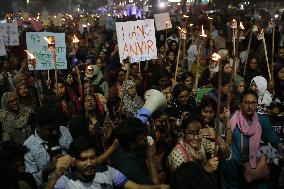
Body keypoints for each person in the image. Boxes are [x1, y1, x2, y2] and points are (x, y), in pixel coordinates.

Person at [45, 135, 169, 189]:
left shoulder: (108, 172)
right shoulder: (65, 182)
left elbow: (137, 187)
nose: (89, 163)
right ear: (73, 161)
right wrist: (56, 174)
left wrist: (159, 187)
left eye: (92, 157)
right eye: (83, 159)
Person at [221, 90, 281, 189]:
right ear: (240, 104)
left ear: (257, 104)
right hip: (232, 171)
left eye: (253, 103)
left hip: (253, 169)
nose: (250, 106)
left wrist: (277, 151)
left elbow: (275, 141)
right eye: (246, 102)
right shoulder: (231, 119)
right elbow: (225, 143)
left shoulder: (262, 121)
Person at [24, 105, 73, 187]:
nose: (54, 132)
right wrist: (47, 169)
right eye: (49, 130)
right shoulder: (28, 146)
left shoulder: (64, 130)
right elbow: (31, 181)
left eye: (57, 128)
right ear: (37, 126)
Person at [111, 118, 160, 184]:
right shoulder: (131, 168)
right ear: (131, 143)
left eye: (146, 134)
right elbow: (156, 186)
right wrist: (151, 160)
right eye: (142, 137)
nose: (146, 139)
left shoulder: (122, 148)